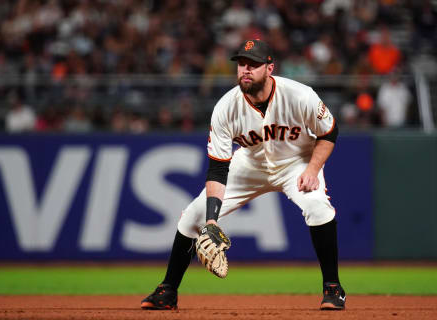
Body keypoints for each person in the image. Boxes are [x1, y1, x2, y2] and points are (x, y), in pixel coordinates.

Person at [141, 39, 345, 311]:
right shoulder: (226, 107)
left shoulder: (300, 95)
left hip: (297, 161)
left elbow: (329, 133)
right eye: (241, 64)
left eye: (253, 64)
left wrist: (312, 170)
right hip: (249, 165)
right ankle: (167, 290)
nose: (245, 69)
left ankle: (333, 287)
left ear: (270, 68)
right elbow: (217, 168)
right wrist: (211, 222)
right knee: (193, 217)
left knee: (318, 207)